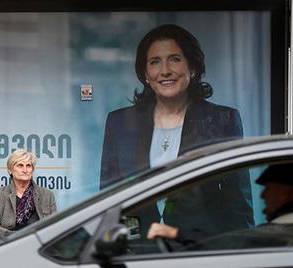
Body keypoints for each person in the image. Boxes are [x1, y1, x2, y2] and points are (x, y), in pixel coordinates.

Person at [101, 24, 253, 238]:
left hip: (198, 253)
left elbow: (238, 205)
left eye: (175, 59)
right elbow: (109, 200)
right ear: (145, 74)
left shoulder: (222, 120)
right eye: (155, 62)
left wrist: (241, 255)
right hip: (136, 254)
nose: (165, 70)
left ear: (192, 67)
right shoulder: (119, 123)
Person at [147, 162, 293, 248]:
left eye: (268, 189)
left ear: (288, 194)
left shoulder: (285, 233)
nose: (263, 195)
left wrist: (173, 233)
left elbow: (224, 245)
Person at [0, 149, 57, 237]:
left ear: (32, 170)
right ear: (10, 170)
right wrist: (18, 237)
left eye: (28, 166)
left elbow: (55, 227)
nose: (25, 170)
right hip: (9, 245)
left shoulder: (47, 195)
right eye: (20, 165)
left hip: (37, 243)